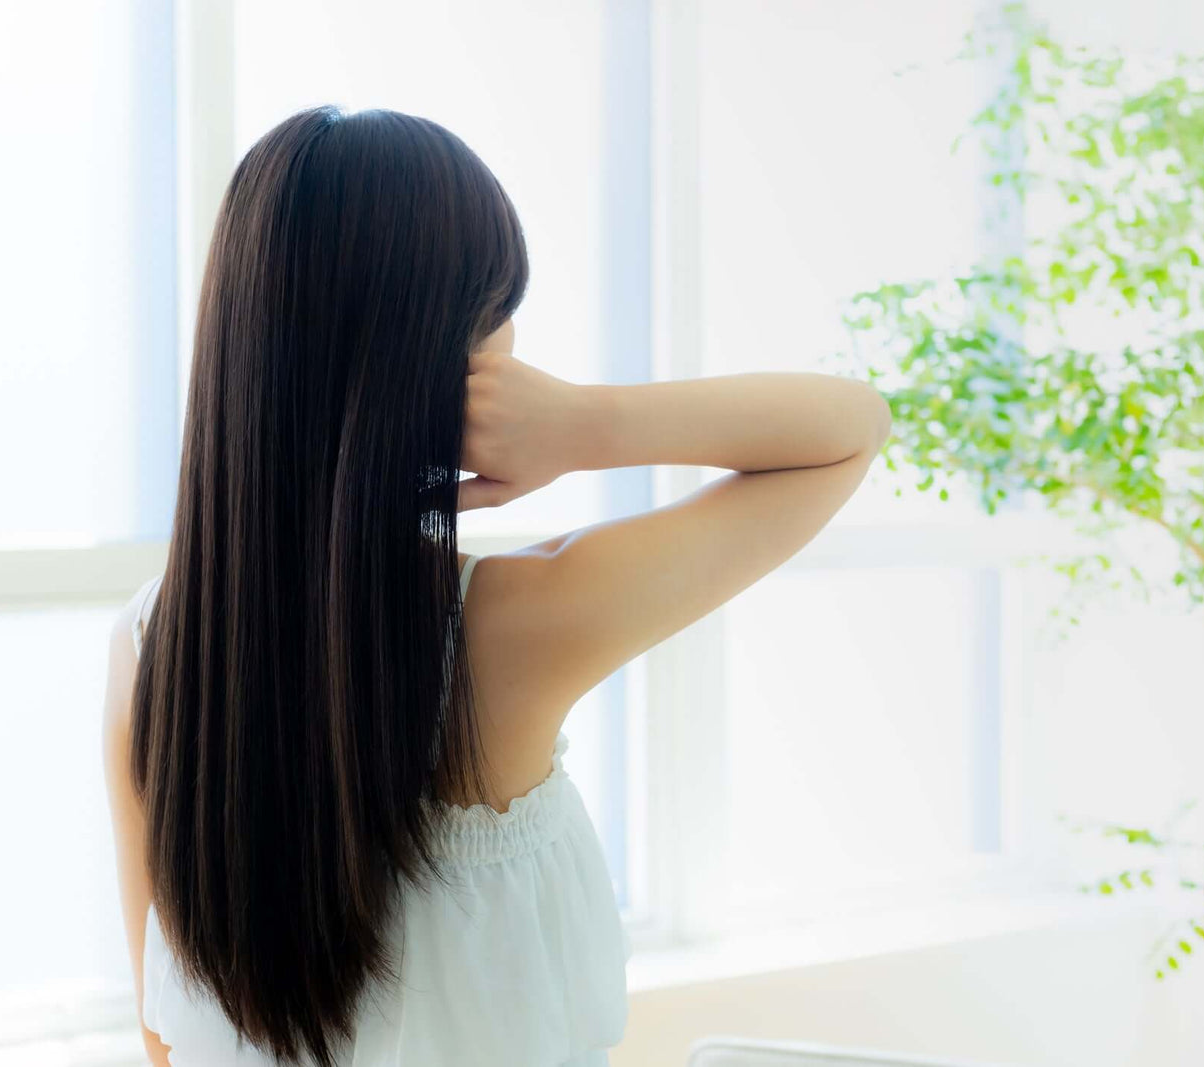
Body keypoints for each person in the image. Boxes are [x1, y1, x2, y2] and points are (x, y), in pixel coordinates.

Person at [101, 105, 891, 1067]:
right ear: (441, 352)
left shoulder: (149, 642)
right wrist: (586, 426)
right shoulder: (506, 625)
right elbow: (848, 427)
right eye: (495, 305)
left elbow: (163, 1030)